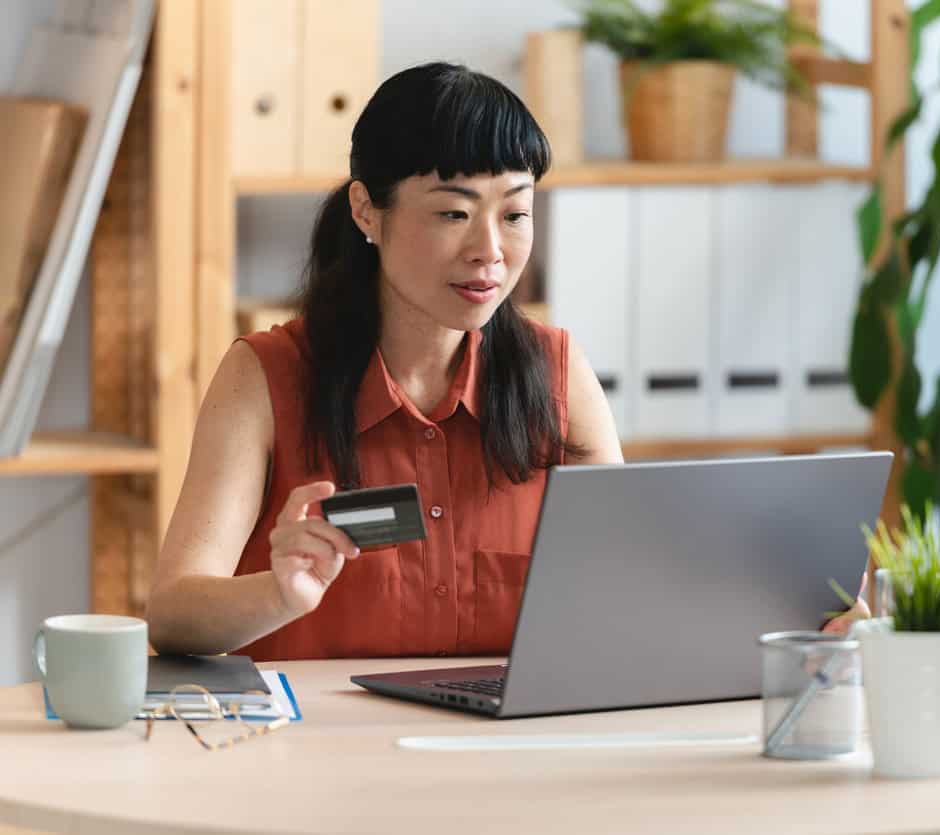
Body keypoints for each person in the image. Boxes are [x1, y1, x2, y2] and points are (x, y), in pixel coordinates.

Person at [146, 62, 866, 660]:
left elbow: (633, 592)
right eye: (453, 213)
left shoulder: (557, 375)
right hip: (310, 777)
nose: (489, 249)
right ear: (367, 211)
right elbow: (173, 612)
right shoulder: (266, 377)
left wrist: (798, 615)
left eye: (514, 213)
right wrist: (279, 591)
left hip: (511, 765)